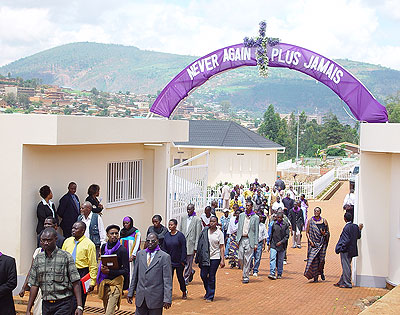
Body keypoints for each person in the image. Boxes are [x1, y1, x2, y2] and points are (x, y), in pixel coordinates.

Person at [26, 227, 83, 315]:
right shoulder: (38, 258)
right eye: (43, 240)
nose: (45, 243)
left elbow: (75, 281)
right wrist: (28, 309)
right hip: (46, 304)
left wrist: (79, 306)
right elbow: (34, 284)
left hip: (63, 303)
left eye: (49, 240)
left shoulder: (65, 257)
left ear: (55, 239)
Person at [127, 233, 172, 314]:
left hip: (155, 299)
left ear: (158, 241)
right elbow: (135, 276)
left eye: (153, 241)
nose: (150, 243)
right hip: (141, 298)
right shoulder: (140, 254)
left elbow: (167, 280)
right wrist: (130, 292)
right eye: (148, 241)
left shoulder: (164, 257)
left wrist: (167, 298)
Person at [62, 221, 98, 310]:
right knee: (66, 300)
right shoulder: (67, 241)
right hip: (68, 272)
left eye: (76, 229)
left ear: (83, 231)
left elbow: (93, 264)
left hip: (81, 273)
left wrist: (92, 282)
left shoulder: (89, 244)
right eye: (72, 228)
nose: (73, 230)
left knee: (78, 300)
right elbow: (61, 258)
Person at [97, 225, 129, 314]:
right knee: (106, 309)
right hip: (105, 283)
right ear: (107, 235)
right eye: (112, 233)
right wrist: (103, 269)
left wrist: (110, 271)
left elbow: (126, 270)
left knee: (109, 313)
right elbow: (102, 262)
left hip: (116, 284)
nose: (114, 235)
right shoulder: (103, 247)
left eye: (116, 233)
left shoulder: (122, 250)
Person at [195, 216, 225, 302]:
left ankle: (210, 295)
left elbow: (222, 247)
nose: (212, 223)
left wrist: (222, 259)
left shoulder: (219, 233)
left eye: (214, 221)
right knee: (203, 275)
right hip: (205, 257)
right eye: (211, 221)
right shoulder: (205, 231)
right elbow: (200, 244)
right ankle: (208, 291)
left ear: (217, 223)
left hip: (215, 258)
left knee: (211, 276)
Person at [334, 212, 363, 288]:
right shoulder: (355, 227)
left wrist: (340, 247)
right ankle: (341, 281)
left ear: (345, 219)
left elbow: (345, 240)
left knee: (346, 267)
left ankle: (347, 283)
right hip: (352, 250)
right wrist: (359, 230)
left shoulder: (347, 227)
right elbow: (358, 236)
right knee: (346, 265)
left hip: (346, 250)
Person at [163, 219, 187, 299]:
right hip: (169, 262)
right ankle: (168, 294)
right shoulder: (166, 236)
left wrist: (183, 260)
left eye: (172, 225)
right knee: (169, 279)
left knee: (180, 277)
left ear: (176, 225)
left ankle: (184, 291)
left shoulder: (180, 236)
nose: (170, 226)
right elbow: (164, 248)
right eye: (169, 225)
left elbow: (184, 248)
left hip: (179, 262)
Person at [236, 201, 259, 284]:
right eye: (246, 205)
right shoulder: (242, 216)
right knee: (240, 258)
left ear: (252, 206)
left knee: (248, 258)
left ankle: (245, 276)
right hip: (242, 238)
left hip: (250, 239)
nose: (247, 207)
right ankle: (245, 270)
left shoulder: (255, 217)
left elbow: (256, 231)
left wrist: (256, 243)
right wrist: (237, 239)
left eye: (249, 205)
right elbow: (239, 228)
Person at [304, 207, 330, 282]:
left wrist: (324, 234)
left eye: (318, 211)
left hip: (322, 244)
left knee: (321, 260)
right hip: (313, 244)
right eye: (315, 211)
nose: (316, 212)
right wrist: (310, 241)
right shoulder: (310, 221)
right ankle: (315, 277)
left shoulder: (324, 221)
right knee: (314, 260)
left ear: (320, 212)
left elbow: (328, 232)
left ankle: (321, 271)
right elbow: (307, 232)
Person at [180, 204, 202, 285]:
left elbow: (198, 234)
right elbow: (181, 230)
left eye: (190, 209)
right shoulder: (183, 218)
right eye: (187, 209)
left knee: (188, 263)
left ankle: (186, 278)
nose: (188, 211)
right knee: (182, 262)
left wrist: (196, 247)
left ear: (193, 209)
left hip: (191, 245)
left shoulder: (197, 220)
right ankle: (191, 271)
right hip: (183, 245)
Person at [267, 212, 290, 279]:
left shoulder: (285, 225)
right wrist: (269, 243)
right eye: (278, 218)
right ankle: (272, 272)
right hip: (274, 244)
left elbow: (287, 236)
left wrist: (281, 242)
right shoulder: (273, 224)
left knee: (280, 260)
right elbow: (270, 234)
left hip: (282, 246)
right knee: (272, 258)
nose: (279, 219)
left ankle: (279, 273)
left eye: (280, 218)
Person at [120, 216, 141, 285]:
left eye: (127, 223)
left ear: (131, 223)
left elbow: (137, 244)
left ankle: (132, 287)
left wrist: (133, 254)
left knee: (132, 270)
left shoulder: (136, 232)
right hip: (123, 255)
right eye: (124, 223)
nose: (125, 225)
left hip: (131, 256)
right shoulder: (122, 232)